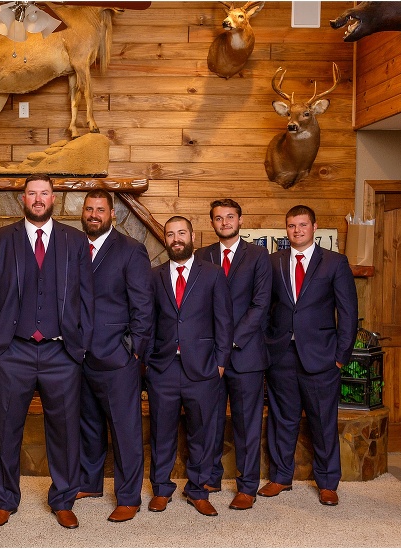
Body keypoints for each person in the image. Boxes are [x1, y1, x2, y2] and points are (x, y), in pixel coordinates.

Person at [0, 174, 94, 529]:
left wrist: (81, 345)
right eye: (32, 193)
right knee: (6, 428)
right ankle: (5, 499)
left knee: (64, 430)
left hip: (62, 353)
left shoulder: (75, 240)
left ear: (54, 198)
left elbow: (86, 297)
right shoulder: (1, 238)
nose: (38, 198)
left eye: (44, 193)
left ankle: (63, 498)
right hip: (13, 351)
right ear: (22, 199)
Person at [259, 205, 357, 506]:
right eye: (291, 225)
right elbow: (264, 308)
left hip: (322, 357)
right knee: (282, 420)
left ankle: (328, 483)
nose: (297, 230)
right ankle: (280, 477)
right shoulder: (273, 262)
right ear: (286, 229)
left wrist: (340, 356)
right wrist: (266, 348)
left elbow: (349, 313)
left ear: (314, 226)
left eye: (302, 224)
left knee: (323, 422)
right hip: (281, 356)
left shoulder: (335, 262)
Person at [144, 216, 233, 517]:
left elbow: (224, 321)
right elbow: (149, 322)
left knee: (202, 432)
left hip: (204, 368)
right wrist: (149, 363)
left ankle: (198, 490)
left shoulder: (212, 273)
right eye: (171, 234)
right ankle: (161, 489)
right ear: (165, 239)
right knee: (161, 432)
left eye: (182, 233)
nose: (176, 239)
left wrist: (220, 363)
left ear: (192, 235)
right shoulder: (154, 276)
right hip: (164, 368)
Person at [75, 190, 152, 523]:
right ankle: (89, 483)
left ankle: (128, 496)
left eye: (100, 210)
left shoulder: (131, 250)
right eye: (89, 209)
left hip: (118, 358)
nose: (94, 214)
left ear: (113, 215)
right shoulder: (73, 247)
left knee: (125, 431)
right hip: (78, 355)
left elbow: (143, 307)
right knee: (88, 425)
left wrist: (134, 351)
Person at [196, 199, 271, 511]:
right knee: (208, 421)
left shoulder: (258, 255)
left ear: (240, 219)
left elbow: (260, 304)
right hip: (209, 356)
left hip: (245, 354)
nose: (224, 222)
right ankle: (210, 476)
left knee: (246, 423)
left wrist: (231, 341)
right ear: (212, 223)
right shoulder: (202, 255)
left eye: (229, 217)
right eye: (218, 218)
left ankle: (247, 486)